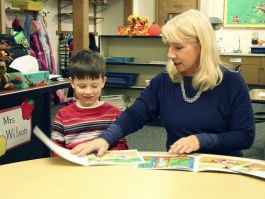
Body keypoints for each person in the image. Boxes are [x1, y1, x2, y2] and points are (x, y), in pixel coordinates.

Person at [71, 9, 255, 157]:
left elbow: (245, 137)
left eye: (179, 47)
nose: (170, 54)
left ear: (202, 47)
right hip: (180, 167)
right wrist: (105, 138)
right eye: (169, 46)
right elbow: (135, 114)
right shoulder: (164, 81)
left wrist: (202, 140)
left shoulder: (231, 82)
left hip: (222, 167)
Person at [51, 49, 128, 155]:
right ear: (72, 83)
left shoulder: (114, 113)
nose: (88, 92)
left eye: (94, 86)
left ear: (103, 82)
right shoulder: (63, 115)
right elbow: (56, 148)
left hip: (103, 166)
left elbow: (122, 145)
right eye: (82, 86)